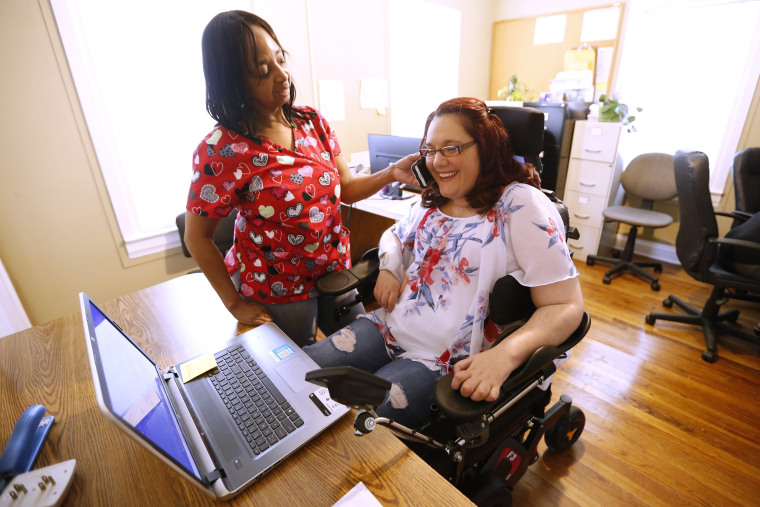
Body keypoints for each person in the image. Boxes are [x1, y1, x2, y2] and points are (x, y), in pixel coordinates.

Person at [304, 97, 585, 428]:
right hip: (388, 327)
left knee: (362, 423)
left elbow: (567, 306)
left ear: (485, 148)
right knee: (304, 376)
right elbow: (393, 236)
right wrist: (390, 266)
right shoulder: (432, 200)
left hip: (446, 358)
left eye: (452, 148)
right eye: (430, 150)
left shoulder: (518, 205)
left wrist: (505, 355)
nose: (437, 162)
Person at [184, 11, 417, 346]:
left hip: (334, 270)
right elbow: (198, 238)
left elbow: (347, 189)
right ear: (232, 81)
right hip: (276, 286)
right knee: (299, 372)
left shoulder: (312, 121)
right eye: (263, 70)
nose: (282, 75)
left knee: (359, 344)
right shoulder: (220, 150)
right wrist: (233, 303)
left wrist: (392, 173)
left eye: (281, 60)